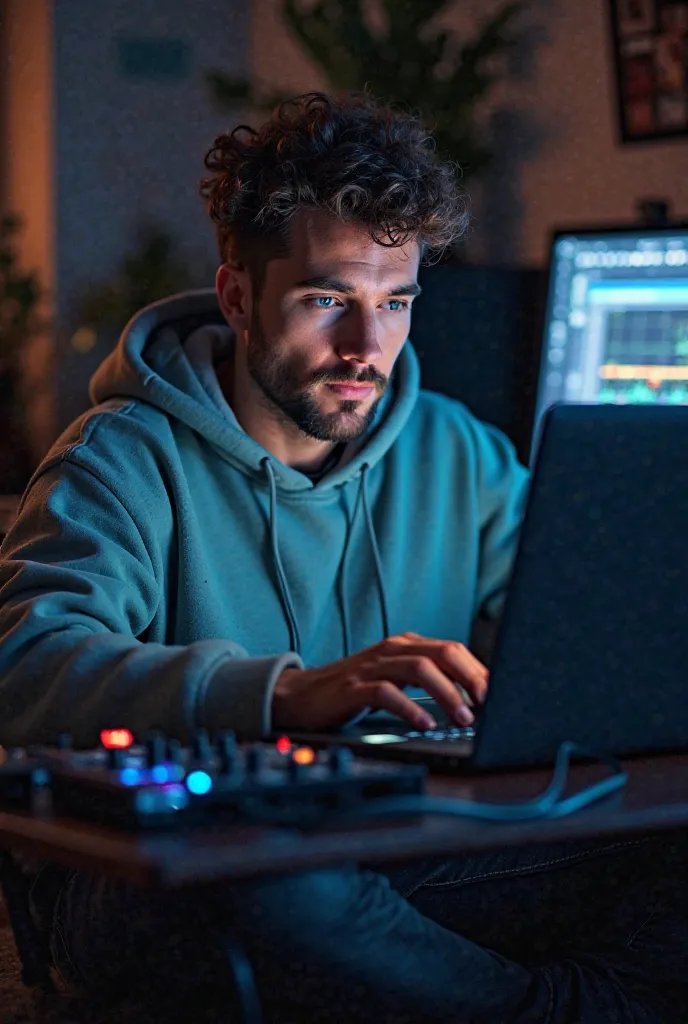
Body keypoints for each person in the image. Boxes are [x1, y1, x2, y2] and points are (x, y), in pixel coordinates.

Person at [0, 93, 685, 1022]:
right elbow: (23, 667)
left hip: (392, 832)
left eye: (394, 302)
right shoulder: (120, 458)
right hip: (153, 863)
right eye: (329, 299)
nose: (369, 348)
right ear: (240, 296)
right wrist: (284, 694)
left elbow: (586, 628)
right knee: (278, 887)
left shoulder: (460, 452)